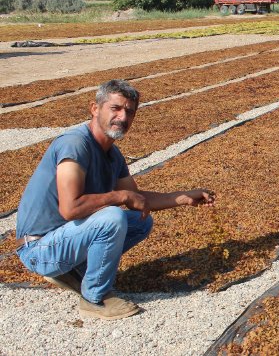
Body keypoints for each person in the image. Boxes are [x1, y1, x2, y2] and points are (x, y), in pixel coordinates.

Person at [15, 79, 216, 320]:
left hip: (65, 238)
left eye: (129, 112)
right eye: (116, 108)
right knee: (112, 217)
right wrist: (119, 196)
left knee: (140, 222)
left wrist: (183, 198)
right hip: (39, 247)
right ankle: (94, 298)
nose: (123, 117)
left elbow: (137, 200)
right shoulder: (75, 144)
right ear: (95, 108)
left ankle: (77, 270)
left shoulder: (112, 154)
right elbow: (70, 208)